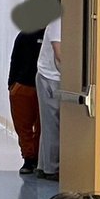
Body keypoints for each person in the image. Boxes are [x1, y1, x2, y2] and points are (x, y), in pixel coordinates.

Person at [8, 27, 44, 174]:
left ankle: (37, 157)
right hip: (23, 86)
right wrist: (11, 84)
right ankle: (29, 159)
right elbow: (14, 60)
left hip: (44, 86)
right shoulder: (24, 35)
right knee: (24, 127)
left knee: (42, 126)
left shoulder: (53, 35)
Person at [35, 15, 62, 181]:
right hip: (50, 77)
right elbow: (59, 54)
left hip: (59, 76)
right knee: (52, 124)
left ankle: (43, 165)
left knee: (51, 124)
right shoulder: (58, 21)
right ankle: (51, 169)